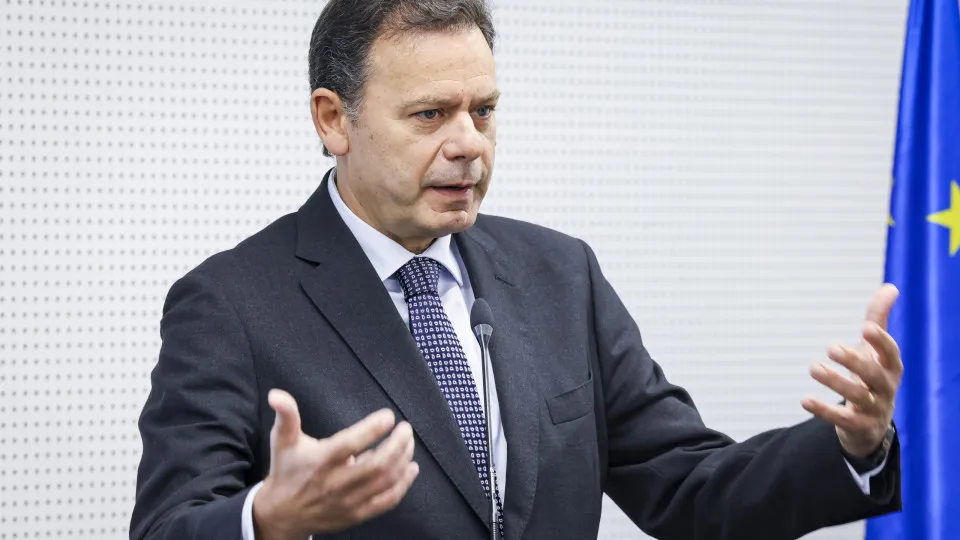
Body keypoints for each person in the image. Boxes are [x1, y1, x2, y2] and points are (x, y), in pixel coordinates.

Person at [129, 1, 904, 539]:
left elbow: (688, 486)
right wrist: (265, 519)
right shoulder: (231, 304)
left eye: (484, 110)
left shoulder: (562, 275)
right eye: (430, 114)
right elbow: (168, 527)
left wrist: (853, 448)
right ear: (335, 119)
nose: (469, 143)